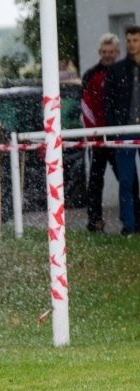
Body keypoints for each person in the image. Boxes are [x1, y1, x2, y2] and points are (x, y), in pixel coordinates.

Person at [82, 32, 140, 233]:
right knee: (96, 180)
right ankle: (95, 221)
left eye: (111, 52)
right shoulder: (91, 75)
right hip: (99, 135)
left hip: (119, 133)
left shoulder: (123, 71)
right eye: (104, 52)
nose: (107, 55)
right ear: (99, 52)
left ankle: (135, 219)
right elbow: (86, 106)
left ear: (117, 52)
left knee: (129, 178)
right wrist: (94, 131)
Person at [104, 25, 140, 237]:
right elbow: (108, 104)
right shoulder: (116, 70)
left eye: (135, 40)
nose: (131, 44)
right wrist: (113, 130)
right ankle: (129, 223)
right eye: (129, 40)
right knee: (126, 180)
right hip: (125, 130)